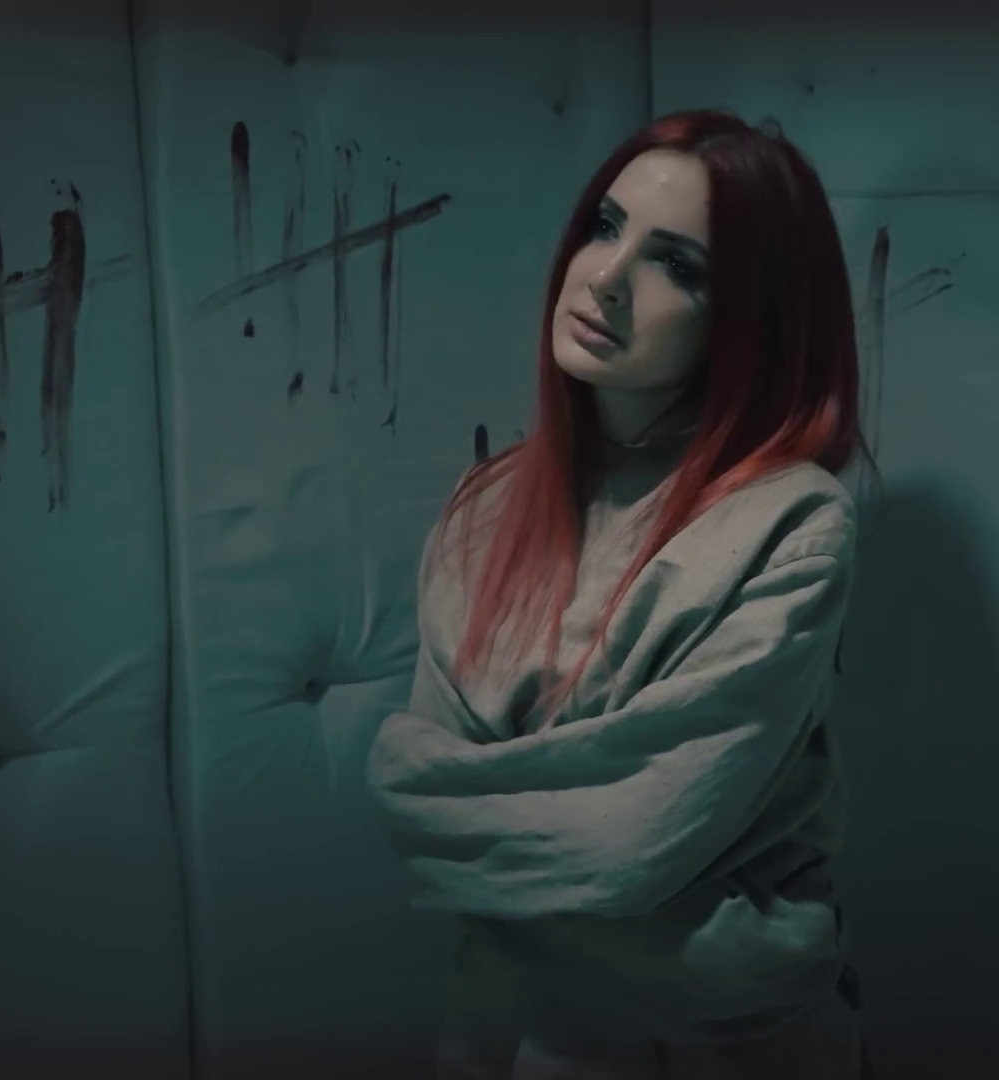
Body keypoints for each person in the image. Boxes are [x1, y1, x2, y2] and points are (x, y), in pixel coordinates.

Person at [366, 108, 877, 1080]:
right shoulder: (485, 508)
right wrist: (723, 942)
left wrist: (495, 869)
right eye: (605, 226)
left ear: (751, 320)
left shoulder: (790, 524)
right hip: (505, 1040)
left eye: (677, 265)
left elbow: (629, 843)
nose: (606, 276)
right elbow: (412, 799)